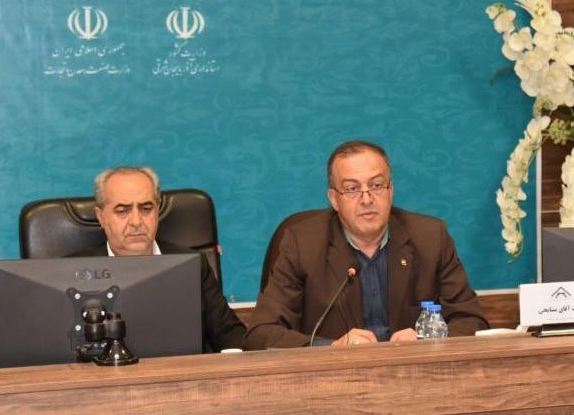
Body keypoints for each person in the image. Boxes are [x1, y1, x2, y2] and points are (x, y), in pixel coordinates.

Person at [244, 140, 487, 349]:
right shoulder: (303, 244)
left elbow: (473, 322)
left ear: (391, 190)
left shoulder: (430, 238)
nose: (367, 199)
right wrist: (332, 347)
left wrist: (428, 338)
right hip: (336, 380)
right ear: (334, 200)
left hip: (416, 377)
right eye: (352, 189)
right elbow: (260, 334)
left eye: (376, 185)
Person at [88, 166, 245, 352]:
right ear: (101, 216)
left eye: (146, 209)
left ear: (157, 211)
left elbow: (231, 335)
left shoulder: (193, 264)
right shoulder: (76, 271)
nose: (136, 222)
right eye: (122, 211)